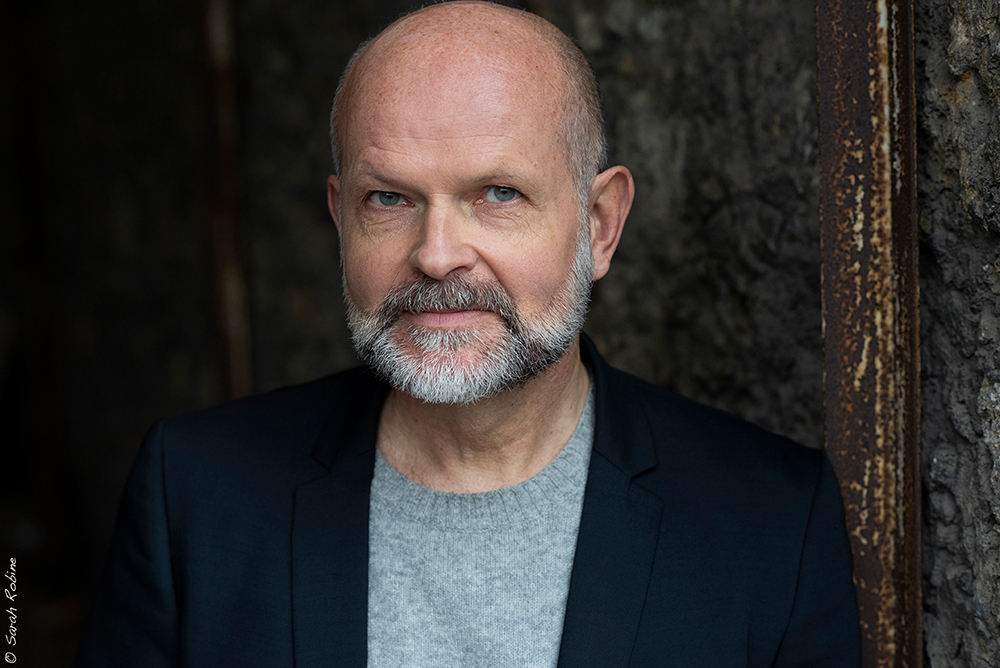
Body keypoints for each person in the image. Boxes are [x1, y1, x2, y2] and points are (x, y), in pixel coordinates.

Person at [75, 2, 860, 666]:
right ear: (340, 219)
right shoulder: (195, 498)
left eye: (498, 193)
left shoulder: (770, 524)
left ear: (600, 225)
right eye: (390, 199)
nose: (437, 254)